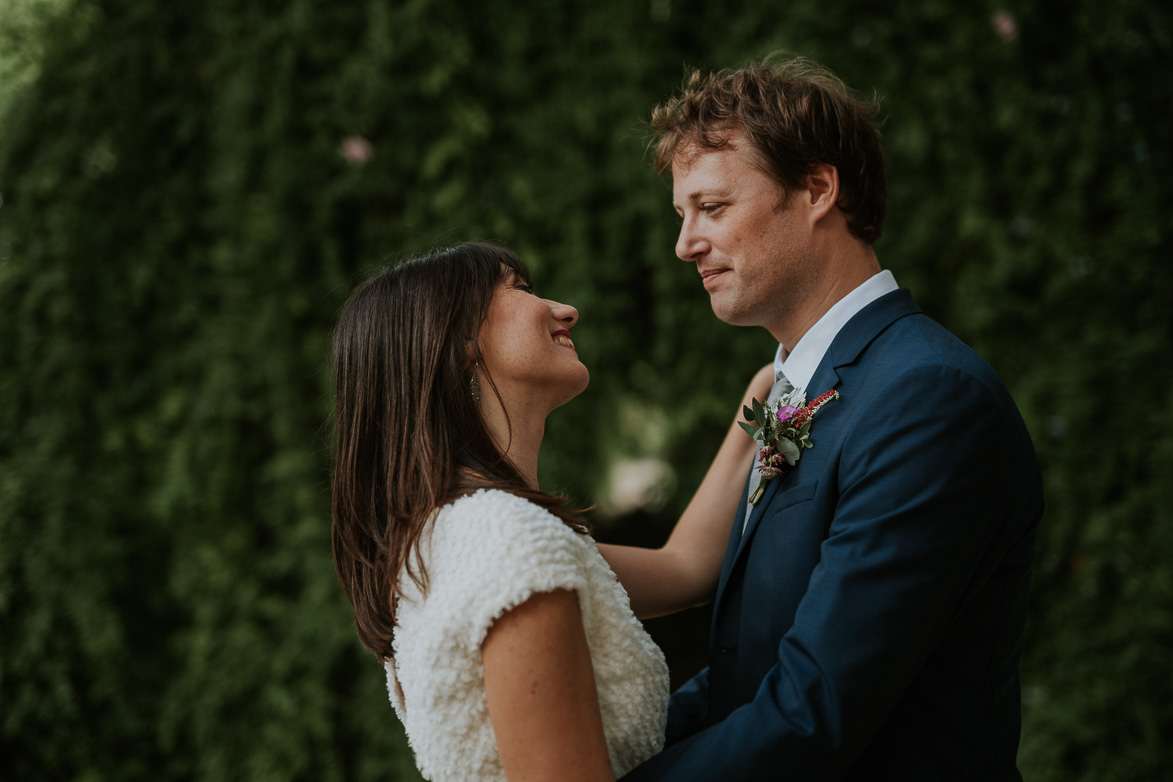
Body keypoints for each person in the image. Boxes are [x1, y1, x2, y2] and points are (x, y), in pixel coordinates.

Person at [606, 56, 1045, 780]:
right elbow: (746, 674)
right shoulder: (789, 388)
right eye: (681, 214)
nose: (684, 243)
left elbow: (813, 711)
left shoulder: (926, 397)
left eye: (711, 208)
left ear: (815, 189)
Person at [329, 242, 772, 781]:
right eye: (519, 289)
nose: (565, 310)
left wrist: (768, 391)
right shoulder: (506, 541)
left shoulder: (456, 534)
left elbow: (686, 567)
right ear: (460, 341)